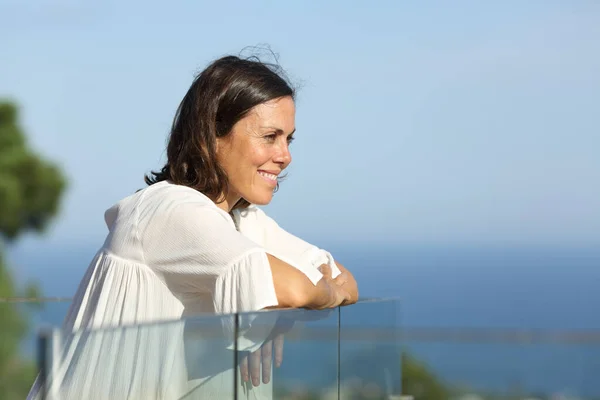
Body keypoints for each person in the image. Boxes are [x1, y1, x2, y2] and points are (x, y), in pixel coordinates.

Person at [27, 54, 358, 400]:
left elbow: (346, 280)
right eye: (270, 136)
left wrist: (277, 311)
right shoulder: (168, 211)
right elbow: (301, 289)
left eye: (288, 139)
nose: (285, 155)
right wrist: (304, 299)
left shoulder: (241, 220)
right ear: (212, 136)